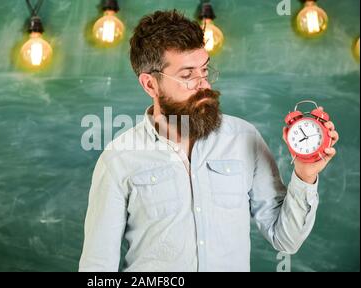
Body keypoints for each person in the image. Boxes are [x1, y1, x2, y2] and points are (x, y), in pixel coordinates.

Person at [79, 10, 339, 272]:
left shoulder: (244, 139)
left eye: (204, 70)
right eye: (187, 75)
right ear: (150, 85)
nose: (203, 84)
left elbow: (286, 240)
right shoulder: (118, 159)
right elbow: (97, 267)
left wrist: (305, 176)